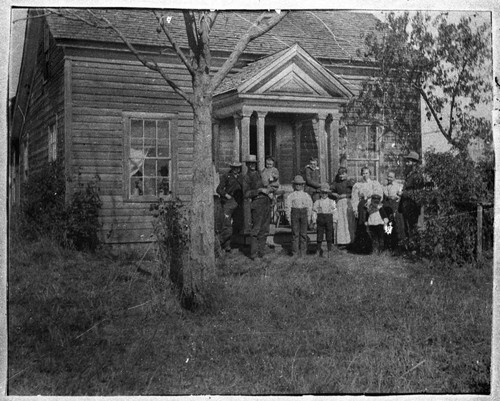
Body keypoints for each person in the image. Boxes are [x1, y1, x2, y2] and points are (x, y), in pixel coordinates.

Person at [240, 155, 271, 260]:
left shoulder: (260, 174)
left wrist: (269, 191)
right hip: (257, 203)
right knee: (256, 229)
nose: (252, 165)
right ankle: (254, 254)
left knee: (265, 229)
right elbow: (246, 193)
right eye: (250, 163)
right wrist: (259, 191)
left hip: (266, 202)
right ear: (247, 165)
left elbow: (267, 185)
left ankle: (262, 253)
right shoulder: (246, 177)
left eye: (254, 163)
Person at [348, 166, 383, 254]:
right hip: (361, 206)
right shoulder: (357, 185)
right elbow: (354, 198)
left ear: (370, 174)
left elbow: (379, 196)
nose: (365, 175)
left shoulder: (375, 184)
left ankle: (374, 248)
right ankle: (362, 248)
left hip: (372, 206)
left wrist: (371, 201)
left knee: (372, 225)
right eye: (363, 173)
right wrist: (355, 210)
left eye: (367, 173)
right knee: (362, 225)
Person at [216, 160, 243, 253]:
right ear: (232, 168)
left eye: (238, 168)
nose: (236, 170)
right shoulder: (226, 176)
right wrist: (226, 195)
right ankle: (220, 244)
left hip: (239, 203)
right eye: (234, 168)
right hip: (229, 202)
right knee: (227, 225)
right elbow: (219, 189)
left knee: (238, 224)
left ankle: (230, 245)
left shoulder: (242, 177)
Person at [398, 151, 424, 241]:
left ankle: (415, 249)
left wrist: (404, 193)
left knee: (413, 227)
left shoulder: (417, 176)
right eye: (407, 161)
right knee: (407, 227)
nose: (406, 163)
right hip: (406, 205)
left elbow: (418, 192)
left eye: (408, 161)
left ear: (414, 163)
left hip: (413, 205)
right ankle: (409, 248)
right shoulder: (409, 174)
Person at [285, 175, 313, 257]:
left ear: (303, 185)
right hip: (295, 213)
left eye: (300, 184)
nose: (298, 186)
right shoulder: (291, 196)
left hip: (304, 213)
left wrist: (309, 217)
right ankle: (295, 252)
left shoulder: (306, 195)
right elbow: (288, 207)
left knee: (303, 234)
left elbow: (309, 206)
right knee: (295, 234)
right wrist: (289, 218)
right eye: (296, 184)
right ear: (294, 185)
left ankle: (303, 252)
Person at [330, 167, 355, 249]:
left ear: (346, 174)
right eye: (340, 174)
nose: (341, 176)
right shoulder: (336, 183)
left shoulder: (350, 182)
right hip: (339, 203)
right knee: (340, 222)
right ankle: (341, 241)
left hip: (348, 203)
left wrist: (346, 195)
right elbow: (330, 191)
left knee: (348, 221)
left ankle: (350, 241)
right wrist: (334, 194)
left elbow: (354, 193)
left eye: (343, 174)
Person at [312, 183, 338, 257]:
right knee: (319, 236)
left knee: (329, 236)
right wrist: (314, 222)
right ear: (320, 193)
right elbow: (314, 212)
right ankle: (318, 250)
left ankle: (329, 251)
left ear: (328, 193)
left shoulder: (331, 202)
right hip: (320, 219)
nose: (324, 194)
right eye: (322, 192)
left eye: (326, 193)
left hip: (329, 219)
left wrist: (334, 221)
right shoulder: (317, 202)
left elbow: (335, 212)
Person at [383, 171, 404, 250]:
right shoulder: (384, 186)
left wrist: (395, 198)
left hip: (394, 208)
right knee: (387, 225)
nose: (389, 178)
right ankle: (387, 245)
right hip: (386, 207)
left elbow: (399, 198)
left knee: (394, 225)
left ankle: (395, 245)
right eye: (388, 176)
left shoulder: (398, 186)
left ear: (394, 178)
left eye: (391, 177)